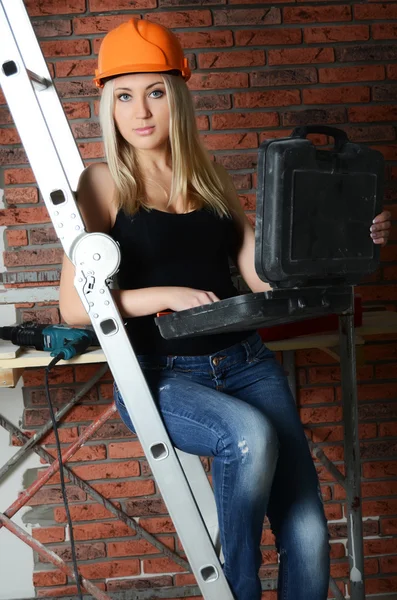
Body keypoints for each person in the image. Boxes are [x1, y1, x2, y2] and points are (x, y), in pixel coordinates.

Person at [59, 18, 391, 600]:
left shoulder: (210, 178)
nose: (141, 111)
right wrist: (165, 297)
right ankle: (236, 589)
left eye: (156, 92)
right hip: (162, 376)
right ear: (108, 104)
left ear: (179, 97)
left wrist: (350, 238)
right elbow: (72, 308)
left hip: (246, 362)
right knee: (250, 436)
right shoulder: (103, 183)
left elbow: (264, 274)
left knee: (310, 533)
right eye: (125, 96)